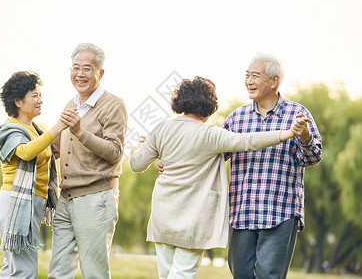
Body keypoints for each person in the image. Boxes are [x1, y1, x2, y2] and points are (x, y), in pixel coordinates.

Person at [130, 76, 308, 279]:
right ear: (209, 107)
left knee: (166, 275)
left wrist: (146, 147)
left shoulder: (161, 129)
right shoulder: (210, 134)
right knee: (182, 274)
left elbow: (136, 164)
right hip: (192, 220)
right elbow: (248, 141)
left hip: (163, 216)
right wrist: (287, 133)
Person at [221, 53, 323, 279]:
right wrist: (172, 162)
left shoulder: (298, 115)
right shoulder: (235, 119)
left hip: (280, 212)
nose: (248, 81)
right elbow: (213, 155)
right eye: (246, 76)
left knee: (270, 276)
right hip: (242, 212)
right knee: (241, 275)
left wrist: (305, 136)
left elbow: (314, 157)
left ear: (274, 81)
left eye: (255, 76)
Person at [48, 43, 128, 279]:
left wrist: (81, 132)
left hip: (95, 200)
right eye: (75, 68)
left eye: (87, 69)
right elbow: (56, 148)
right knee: (58, 271)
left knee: (94, 272)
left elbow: (115, 151)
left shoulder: (114, 105)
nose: (80, 74)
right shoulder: (70, 104)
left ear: (100, 73)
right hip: (65, 198)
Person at [0, 71, 74, 278]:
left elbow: (48, 150)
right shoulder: (10, 130)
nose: (40, 100)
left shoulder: (34, 130)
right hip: (16, 203)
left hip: (30, 203)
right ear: (18, 101)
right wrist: (58, 127)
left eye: (40, 95)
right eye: (34, 95)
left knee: (14, 268)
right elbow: (26, 152)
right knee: (24, 270)